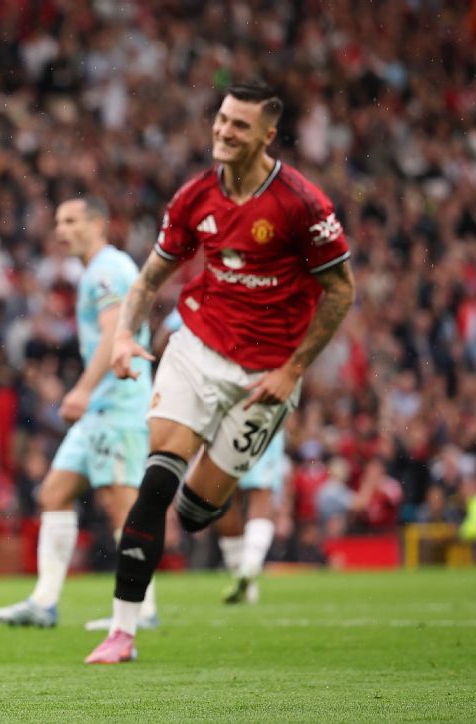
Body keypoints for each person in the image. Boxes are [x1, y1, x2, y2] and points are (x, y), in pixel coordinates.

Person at [87, 81, 355, 664]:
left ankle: (210, 509)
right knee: (157, 478)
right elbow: (150, 279)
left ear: (267, 135)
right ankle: (123, 631)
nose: (224, 131)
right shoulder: (194, 197)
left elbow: (341, 290)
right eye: (222, 119)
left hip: (267, 373)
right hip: (199, 347)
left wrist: (293, 371)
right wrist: (126, 336)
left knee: (196, 512)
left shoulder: (301, 204)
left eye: (239, 125)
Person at [0, 197, 159, 630]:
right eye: (58, 222)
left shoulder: (107, 270)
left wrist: (82, 389)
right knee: (54, 493)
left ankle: (143, 608)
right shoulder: (101, 270)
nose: (61, 230)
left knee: (121, 504)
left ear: (98, 224)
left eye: (71, 221)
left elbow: (114, 334)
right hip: (102, 405)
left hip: (117, 403)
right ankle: (44, 603)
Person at [216, 431, 288, 605]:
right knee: (261, 494)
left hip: (223, 427)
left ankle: (241, 575)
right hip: (262, 423)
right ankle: (249, 567)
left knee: (225, 497)